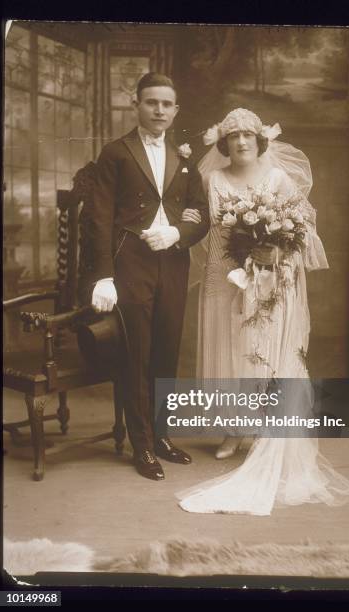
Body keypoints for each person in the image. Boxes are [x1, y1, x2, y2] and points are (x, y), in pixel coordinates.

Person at [177, 108, 349, 515]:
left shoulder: (277, 179)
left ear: (260, 141)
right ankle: (233, 430)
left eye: (249, 135)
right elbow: (210, 233)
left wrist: (275, 251)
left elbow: (300, 231)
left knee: (262, 350)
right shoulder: (212, 180)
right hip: (223, 275)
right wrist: (226, 270)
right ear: (223, 143)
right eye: (234, 136)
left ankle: (265, 429)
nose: (242, 142)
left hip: (271, 276)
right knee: (229, 348)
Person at [91, 73, 210, 481]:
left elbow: (200, 214)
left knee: (166, 349)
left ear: (176, 111)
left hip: (174, 262)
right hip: (131, 262)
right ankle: (141, 445)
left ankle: (161, 435)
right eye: (151, 102)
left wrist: (178, 233)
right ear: (136, 105)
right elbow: (99, 219)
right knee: (137, 352)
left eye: (166, 104)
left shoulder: (185, 160)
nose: (159, 110)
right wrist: (103, 276)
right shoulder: (115, 153)